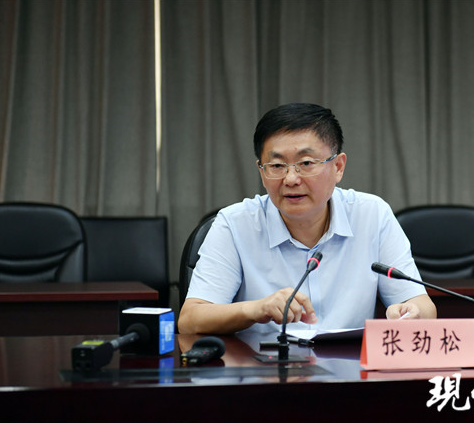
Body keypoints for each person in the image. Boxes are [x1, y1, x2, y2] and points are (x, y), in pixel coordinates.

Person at [178, 103, 436, 334]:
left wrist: (411, 312)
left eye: (306, 163)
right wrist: (256, 309)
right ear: (261, 171)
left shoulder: (372, 215)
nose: (291, 179)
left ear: (338, 167)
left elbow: (420, 303)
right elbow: (190, 320)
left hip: (350, 368)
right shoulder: (235, 224)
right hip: (265, 368)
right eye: (277, 166)